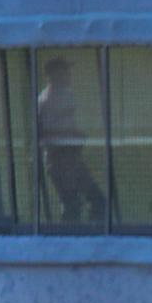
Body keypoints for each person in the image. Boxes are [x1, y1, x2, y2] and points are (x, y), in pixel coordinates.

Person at [38, 58, 104, 224]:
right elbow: (46, 132)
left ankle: (93, 233)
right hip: (59, 158)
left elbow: (67, 123)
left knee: (96, 199)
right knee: (72, 204)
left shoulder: (67, 94)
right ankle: (69, 235)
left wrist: (76, 135)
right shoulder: (46, 100)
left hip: (73, 157)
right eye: (64, 70)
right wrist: (70, 136)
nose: (68, 74)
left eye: (68, 70)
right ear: (53, 74)